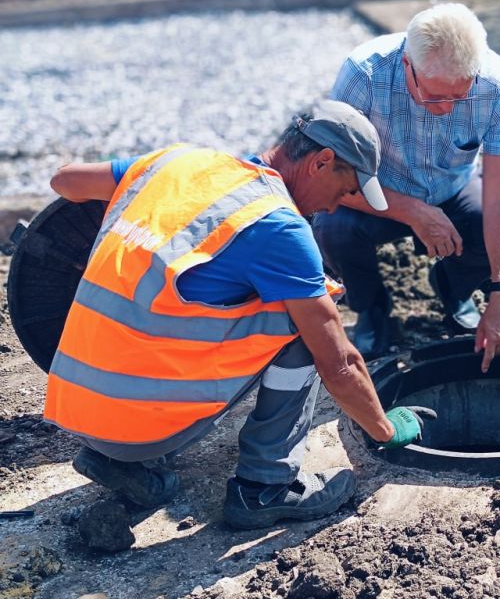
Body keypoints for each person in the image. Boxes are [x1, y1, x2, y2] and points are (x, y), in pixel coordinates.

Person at [43, 103, 436, 530]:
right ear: (321, 162)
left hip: (77, 409)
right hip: (138, 424)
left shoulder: (178, 163)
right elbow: (340, 364)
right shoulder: (279, 227)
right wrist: (384, 429)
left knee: (186, 304)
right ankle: (265, 487)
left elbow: (64, 181)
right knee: (305, 318)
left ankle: (122, 460)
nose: (337, 207)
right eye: (344, 189)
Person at [312, 3, 500, 372]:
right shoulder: (364, 74)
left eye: (459, 96)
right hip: (375, 190)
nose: (446, 108)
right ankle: (372, 309)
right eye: (434, 96)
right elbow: (331, 176)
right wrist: (412, 211)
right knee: (333, 228)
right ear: (406, 66)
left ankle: (453, 289)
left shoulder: (499, 87)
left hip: (453, 187)